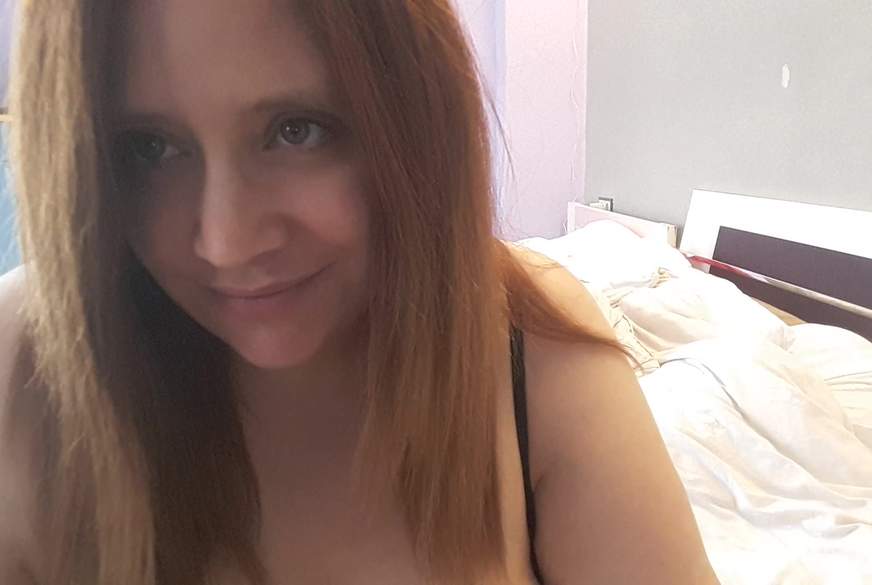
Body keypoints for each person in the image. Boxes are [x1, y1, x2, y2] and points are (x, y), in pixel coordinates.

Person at [0, 1, 720, 584]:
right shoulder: (21, 372)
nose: (226, 242)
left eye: (295, 130)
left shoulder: (531, 353)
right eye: (149, 148)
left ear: (416, 120)